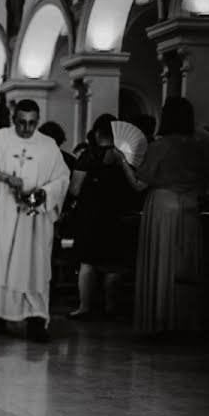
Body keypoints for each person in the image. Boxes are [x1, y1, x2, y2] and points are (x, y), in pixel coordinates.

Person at [0, 99, 70, 343]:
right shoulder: (0, 139)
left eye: (31, 123)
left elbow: (62, 178)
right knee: (3, 260)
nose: (26, 129)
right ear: (13, 119)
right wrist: (6, 177)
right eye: (21, 122)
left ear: (37, 121)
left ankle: (36, 320)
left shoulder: (48, 145)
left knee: (35, 265)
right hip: (3, 212)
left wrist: (43, 193)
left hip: (35, 218)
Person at [134, 97, 209, 334]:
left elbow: (140, 184)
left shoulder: (160, 146)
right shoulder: (202, 144)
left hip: (161, 205)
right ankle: (185, 321)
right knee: (186, 262)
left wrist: (124, 164)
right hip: (190, 205)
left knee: (161, 260)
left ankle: (160, 318)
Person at [67, 114, 145, 320]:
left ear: (97, 133)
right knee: (114, 263)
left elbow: (75, 189)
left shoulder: (88, 156)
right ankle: (111, 307)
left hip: (90, 214)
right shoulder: (126, 156)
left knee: (87, 262)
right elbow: (136, 186)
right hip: (117, 214)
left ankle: (84, 307)